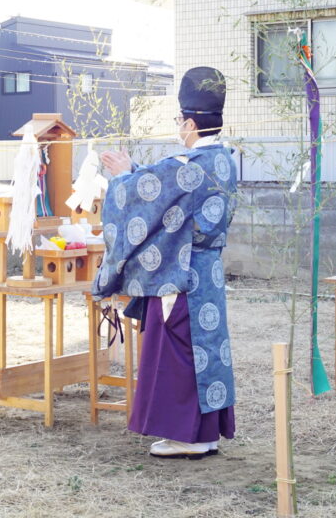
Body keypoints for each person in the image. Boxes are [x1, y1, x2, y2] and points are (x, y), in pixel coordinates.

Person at [94, 67, 237, 459]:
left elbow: (142, 198)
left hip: (181, 274)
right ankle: (204, 434)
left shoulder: (188, 163)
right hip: (206, 271)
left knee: (180, 352)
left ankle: (186, 435)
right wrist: (135, 173)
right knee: (203, 350)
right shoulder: (223, 159)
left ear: (190, 122)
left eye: (179, 121)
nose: (178, 128)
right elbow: (169, 192)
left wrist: (123, 176)